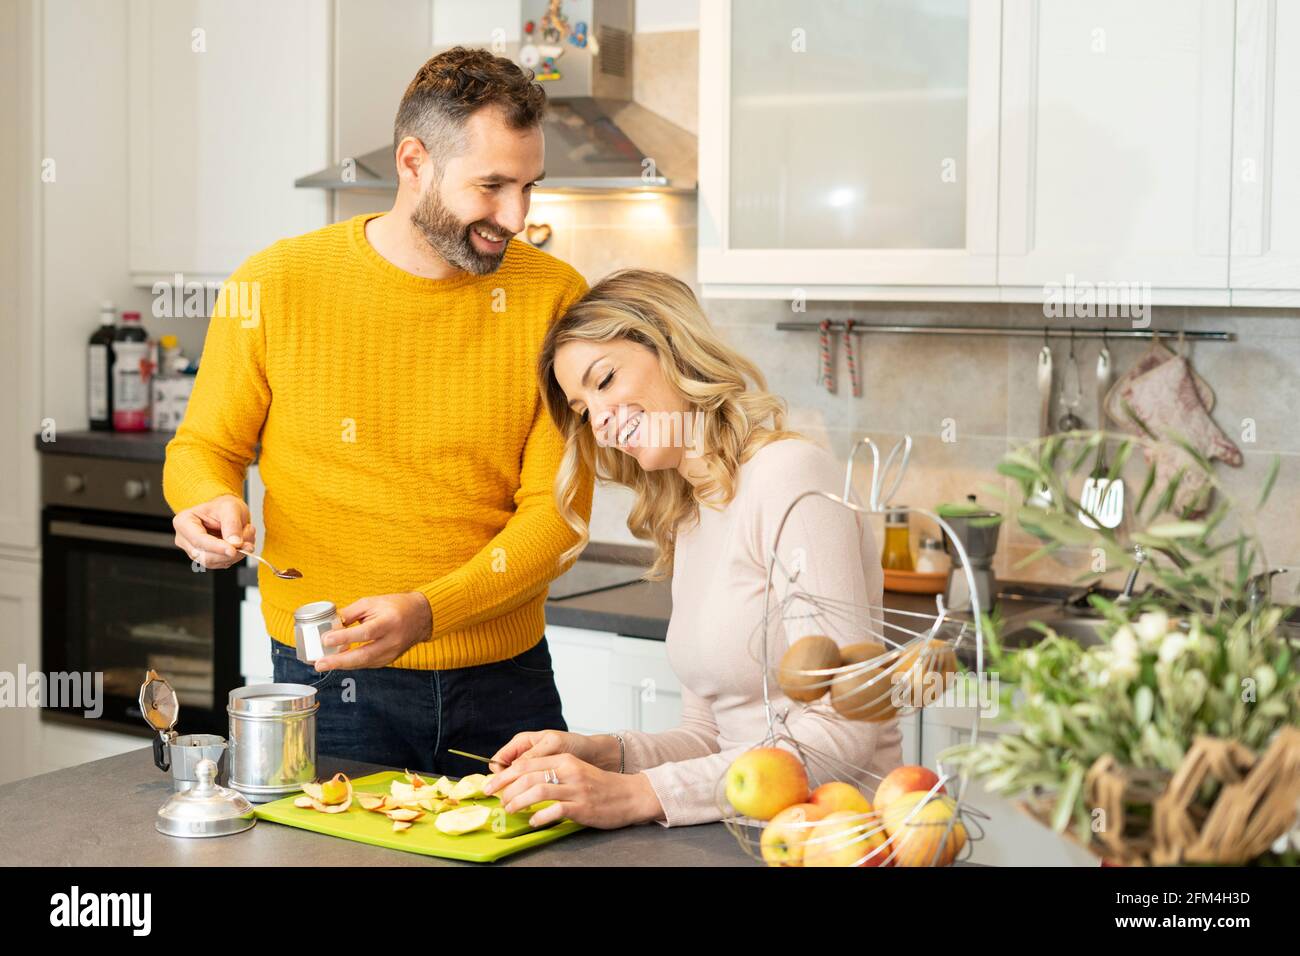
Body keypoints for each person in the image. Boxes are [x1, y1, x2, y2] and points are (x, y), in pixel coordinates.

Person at [163, 48, 593, 776]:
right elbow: (204, 445)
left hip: (504, 684)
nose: (516, 217)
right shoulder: (274, 285)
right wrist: (206, 503)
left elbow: (557, 517)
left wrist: (430, 612)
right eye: (491, 186)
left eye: (528, 187)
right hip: (327, 683)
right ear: (414, 161)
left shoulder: (555, 299)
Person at [483, 269, 901, 828]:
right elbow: (711, 735)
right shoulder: (689, 509)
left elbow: (845, 728)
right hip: (740, 835)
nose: (601, 422)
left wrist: (637, 795)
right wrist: (606, 753)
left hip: (833, 838)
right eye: (583, 411)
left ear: (671, 346)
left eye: (605, 379)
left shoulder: (787, 473)